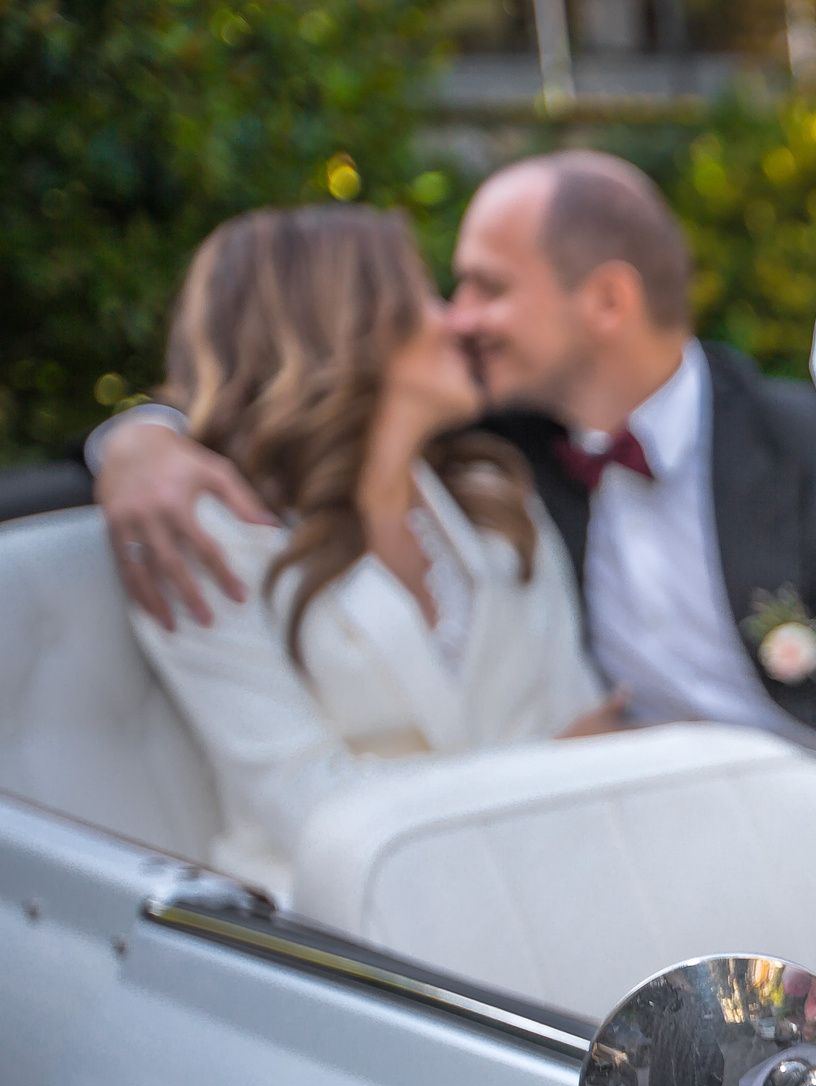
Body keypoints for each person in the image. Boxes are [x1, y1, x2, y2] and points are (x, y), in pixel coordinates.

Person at [90, 150, 816, 889]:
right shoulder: (501, 457)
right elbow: (259, 402)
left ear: (606, 302)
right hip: (486, 873)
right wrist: (135, 440)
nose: (460, 319)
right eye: (444, 293)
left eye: (483, 288)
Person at [131, 205, 617, 901]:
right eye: (425, 295)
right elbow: (316, 809)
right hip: (337, 935)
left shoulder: (495, 504)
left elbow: (588, 731)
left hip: (546, 888)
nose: (459, 321)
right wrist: (545, 772)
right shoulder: (205, 537)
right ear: (343, 323)